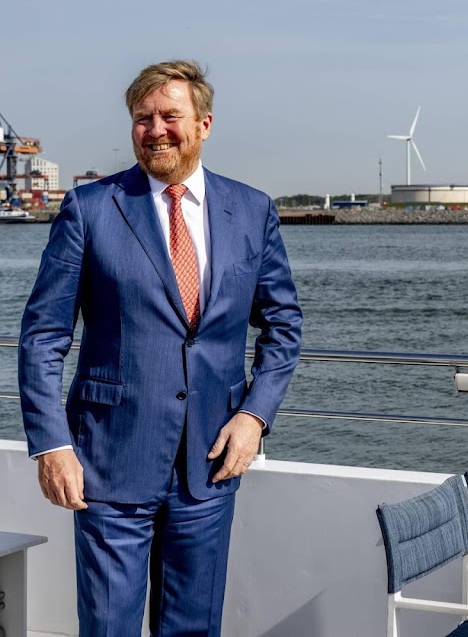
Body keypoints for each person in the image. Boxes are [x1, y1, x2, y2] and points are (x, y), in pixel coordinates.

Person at [18, 60, 302, 636]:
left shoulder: (252, 210)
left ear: (204, 124)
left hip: (210, 465)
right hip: (107, 464)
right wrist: (51, 443)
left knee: (193, 629)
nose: (155, 130)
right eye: (142, 118)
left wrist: (254, 416)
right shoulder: (90, 208)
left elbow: (283, 324)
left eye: (170, 116)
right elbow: (43, 336)